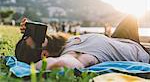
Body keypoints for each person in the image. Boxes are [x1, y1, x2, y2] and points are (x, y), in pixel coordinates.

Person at [16, 15, 150, 70]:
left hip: (120, 39)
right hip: (140, 52)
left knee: (131, 17)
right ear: (44, 55)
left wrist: (28, 30)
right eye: (36, 39)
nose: (34, 36)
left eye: (29, 35)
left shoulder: (63, 43)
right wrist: (34, 68)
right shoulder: (72, 55)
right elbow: (64, 63)